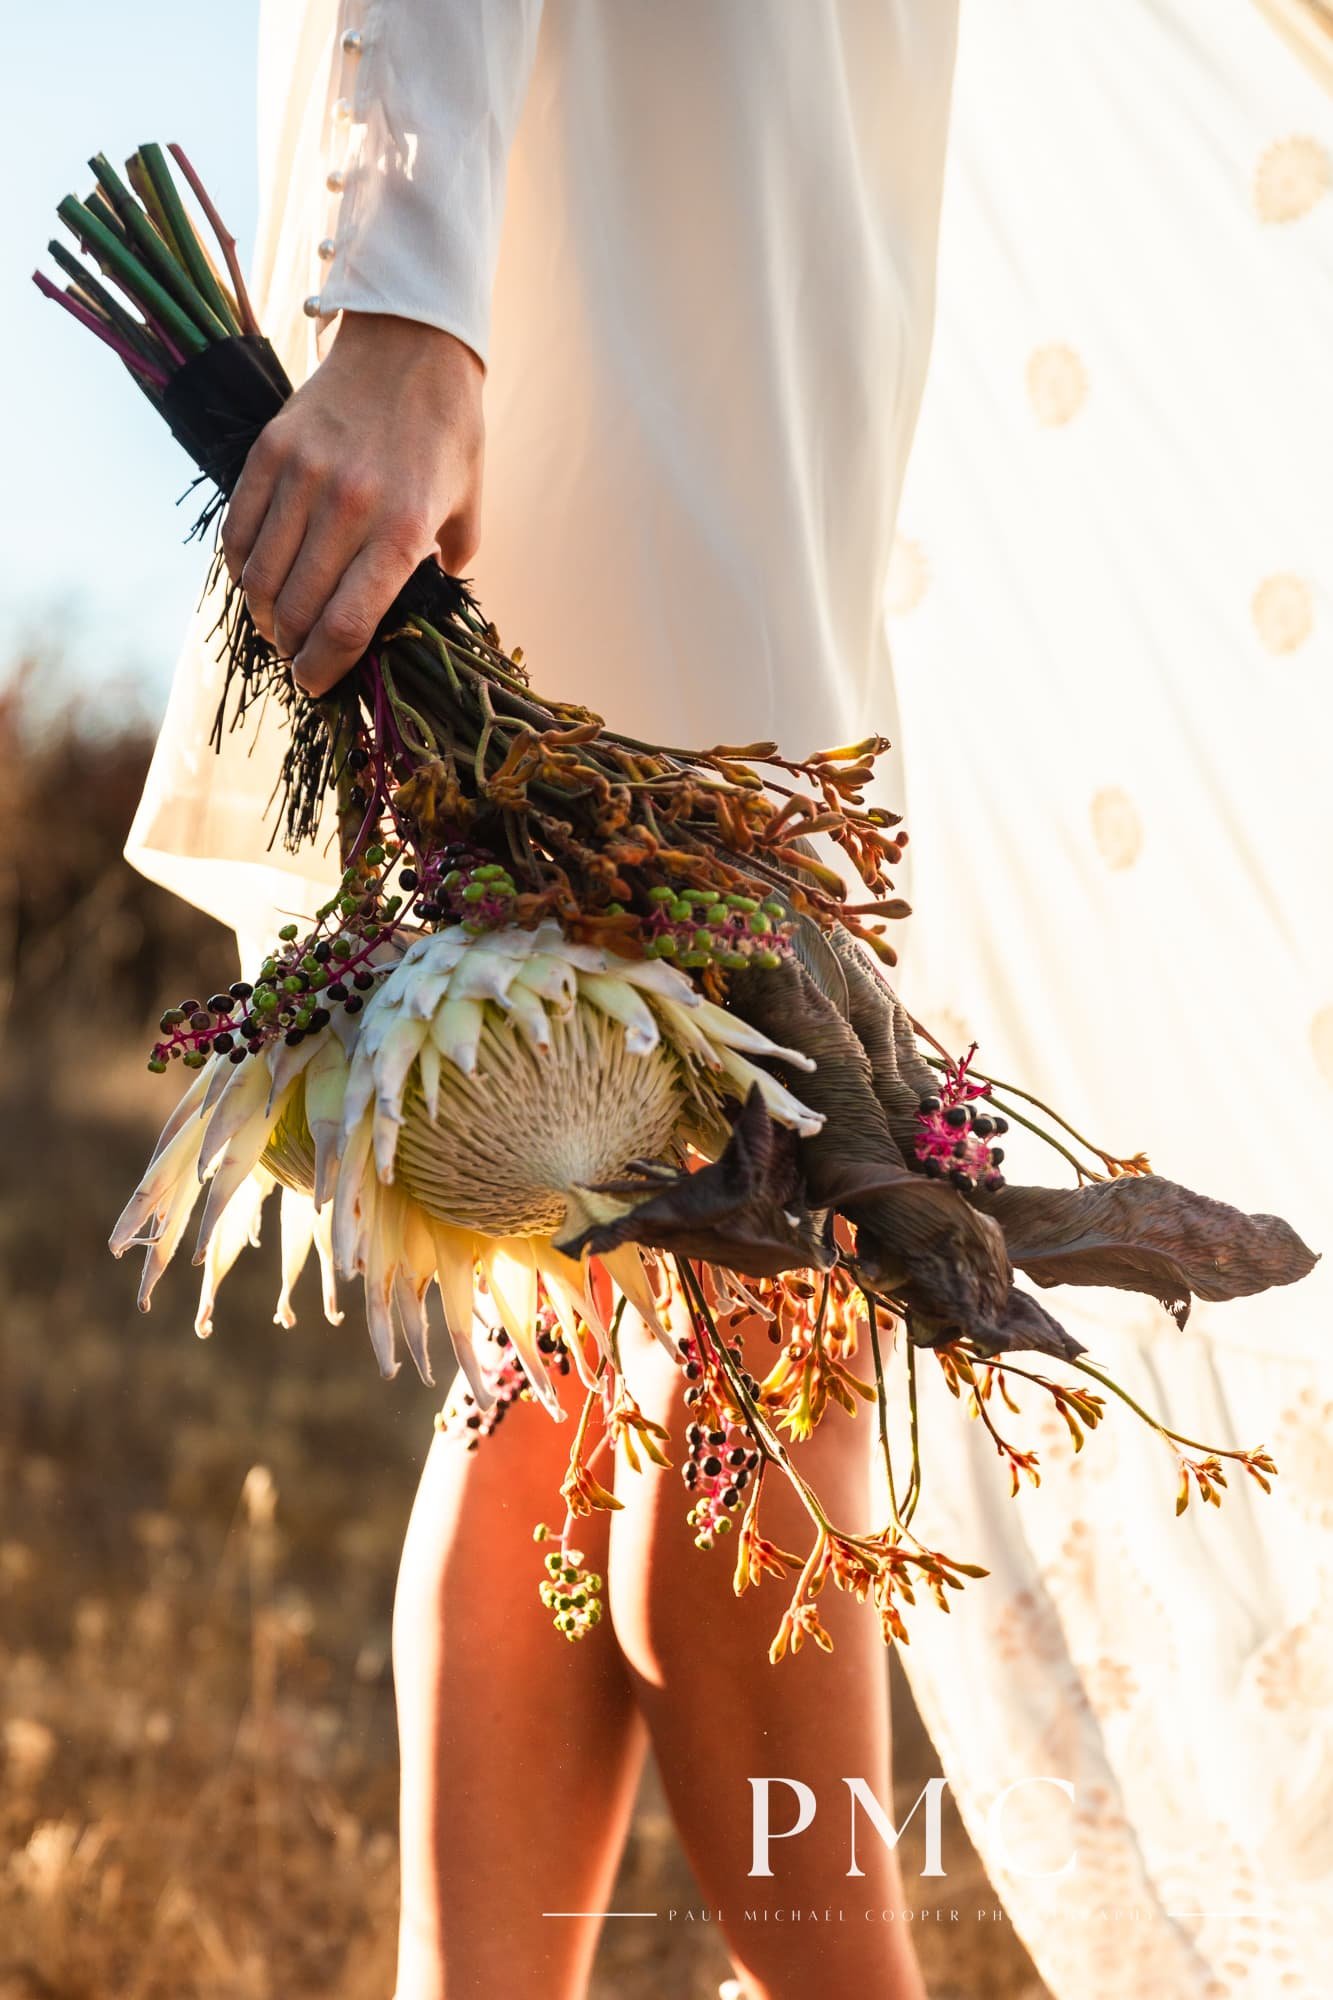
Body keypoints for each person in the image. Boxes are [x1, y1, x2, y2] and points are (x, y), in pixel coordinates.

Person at [132, 6, 959, 1998]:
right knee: (777, 1277)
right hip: (642, 194)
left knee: (583, 1331)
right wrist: (401, 298)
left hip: (800, 194)